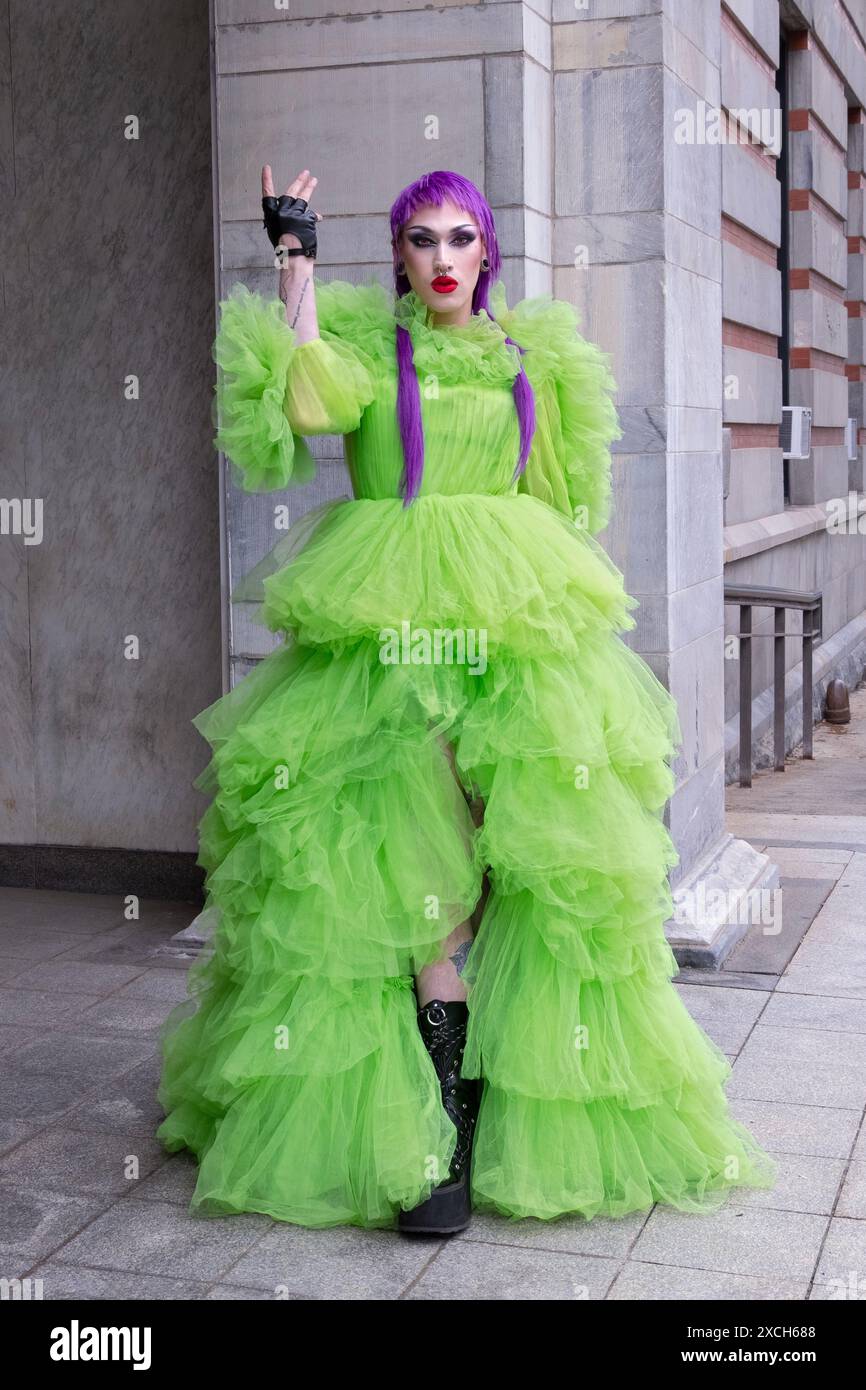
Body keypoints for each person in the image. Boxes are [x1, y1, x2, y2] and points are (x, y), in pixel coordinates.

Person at [155, 167, 777, 1236]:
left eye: (457, 240)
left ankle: (495, 1091)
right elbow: (307, 401)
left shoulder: (528, 364)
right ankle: (431, 1125)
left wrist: (551, 650)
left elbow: (556, 504)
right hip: (387, 641)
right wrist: (294, 256)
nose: (440, 259)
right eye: (417, 241)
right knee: (416, 877)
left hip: (513, 642)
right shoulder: (367, 347)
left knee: (525, 876)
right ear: (396, 255)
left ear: (484, 252)